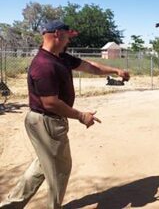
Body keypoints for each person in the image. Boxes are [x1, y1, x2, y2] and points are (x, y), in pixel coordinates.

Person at [0, 20, 130, 209]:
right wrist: (81, 115)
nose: (69, 39)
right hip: (46, 121)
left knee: (42, 165)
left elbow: (90, 66)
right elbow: (50, 102)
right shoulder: (44, 65)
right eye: (68, 35)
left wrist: (116, 70)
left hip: (46, 120)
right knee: (60, 170)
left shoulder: (60, 57)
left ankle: (10, 206)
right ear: (57, 35)